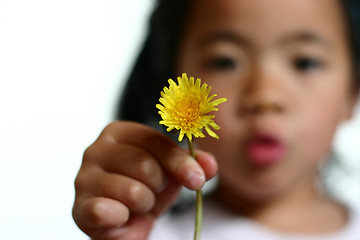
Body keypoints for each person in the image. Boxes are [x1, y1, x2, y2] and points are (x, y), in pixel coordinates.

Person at [72, 0, 360, 239]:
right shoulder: (147, 232)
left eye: (305, 62)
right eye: (225, 61)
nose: (264, 95)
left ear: (353, 92)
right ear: (171, 81)